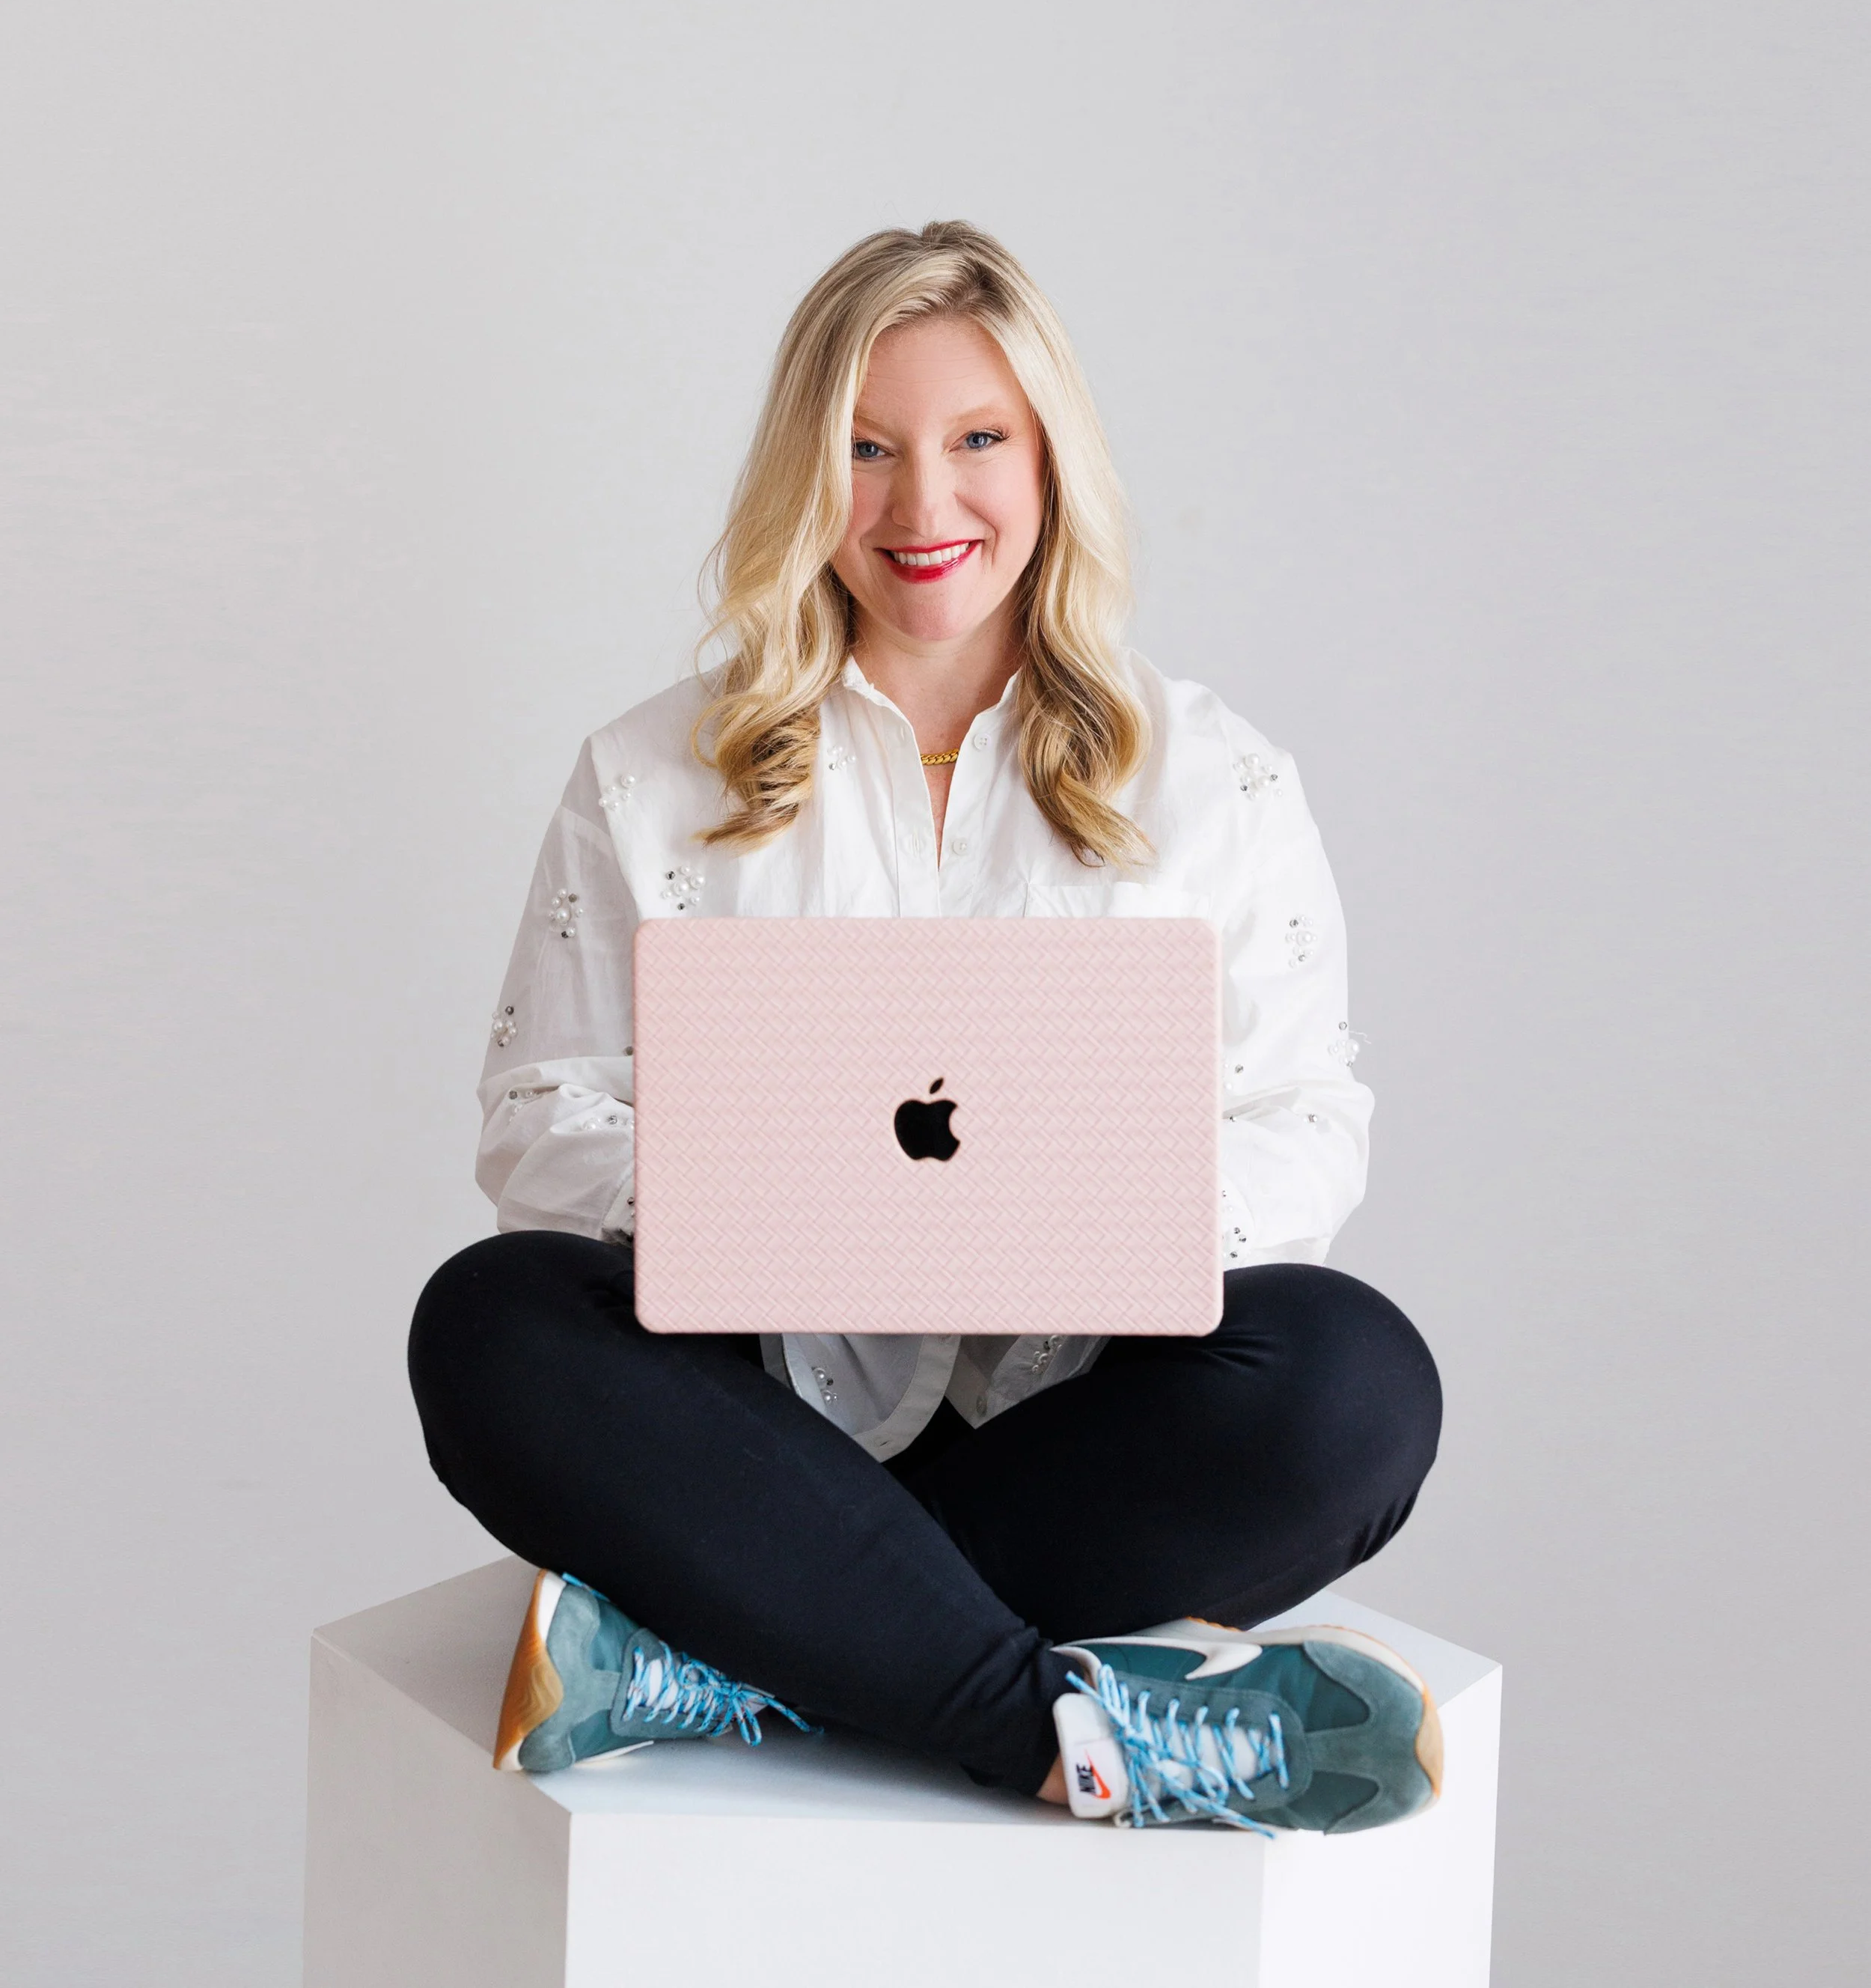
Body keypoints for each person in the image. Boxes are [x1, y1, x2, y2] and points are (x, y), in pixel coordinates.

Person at [409, 222, 1444, 1834]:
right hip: (748, 1424)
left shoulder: (1214, 776)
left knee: (1355, 1382)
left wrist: (1089, 1227)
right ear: (803, 471)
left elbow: (1306, 1115)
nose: (921, 506)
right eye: (865, 449)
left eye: (976, 441)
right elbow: (543, 1114)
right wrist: (788, 1220)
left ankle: (735, 1649)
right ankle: (1054, 1731)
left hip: (1077, 1424)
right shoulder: (650, 771)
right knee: (489, 1324)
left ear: (1049, 459)